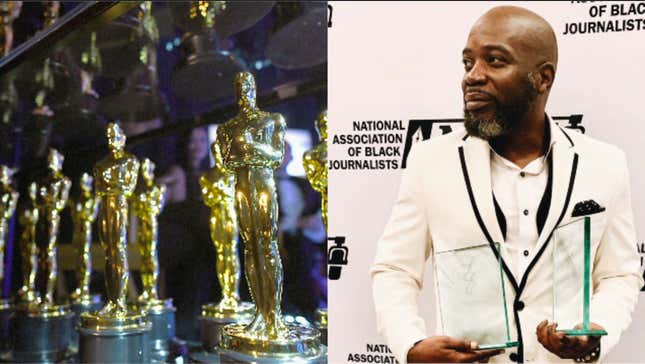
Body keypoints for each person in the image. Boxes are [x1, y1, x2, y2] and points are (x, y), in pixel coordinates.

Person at [371, 6, 643, 364]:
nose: (473, 76)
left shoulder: (604, 164)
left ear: (543, 78)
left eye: (495, 61)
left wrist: (595, 332)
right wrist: (411, 345)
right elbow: (394, 269)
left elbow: (619, 274)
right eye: (468, 63)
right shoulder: (430, 162)